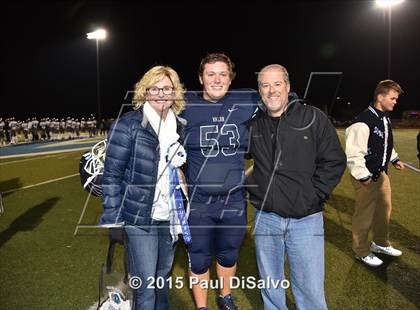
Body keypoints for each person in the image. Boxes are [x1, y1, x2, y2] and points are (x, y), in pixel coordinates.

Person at [246, 64, 346, 310]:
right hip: (266, 217)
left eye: (277, 84)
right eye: (265, 85)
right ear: (259, 90)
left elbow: (334, 161)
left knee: (309, 289)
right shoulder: (254, 123)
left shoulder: (312, 117)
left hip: (306, 220)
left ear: (288, 87)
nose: (271, 91)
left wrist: (313, 196)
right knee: (271, 286)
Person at [99, 65, 189, 310]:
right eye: (155, 88)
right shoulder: (127, 124)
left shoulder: (178, 125)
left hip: (169, 215)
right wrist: (114, 218)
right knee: (146, 285)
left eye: (167, 88)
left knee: (162, 278)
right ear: (145, 92)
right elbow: (112, 175)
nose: (161, 93)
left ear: (175, 93)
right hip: (140, 216)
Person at [182, 53, 257, 310]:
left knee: (229, 254)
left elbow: (280, 98)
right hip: (199, 203)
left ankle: (225, 296)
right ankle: (202, 307)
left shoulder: (246, 101)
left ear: (230, 78)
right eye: (210, 74)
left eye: (223, 74)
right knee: (199, 258)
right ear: (200, 78)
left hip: (234, 199)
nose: (217, 79)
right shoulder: (184, 106)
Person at [345, 80, 405, 267]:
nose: (395, 102)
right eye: (392, 98)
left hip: (381, 173)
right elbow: (353, 153)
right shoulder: (363, 121)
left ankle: (380, 243)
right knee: (365, 214)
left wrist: (394, 159)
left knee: (383, 210)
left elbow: (385, 143)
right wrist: (363, 176)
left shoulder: (384, 118)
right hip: (366, 176)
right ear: (380, 97)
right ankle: (361, 251)